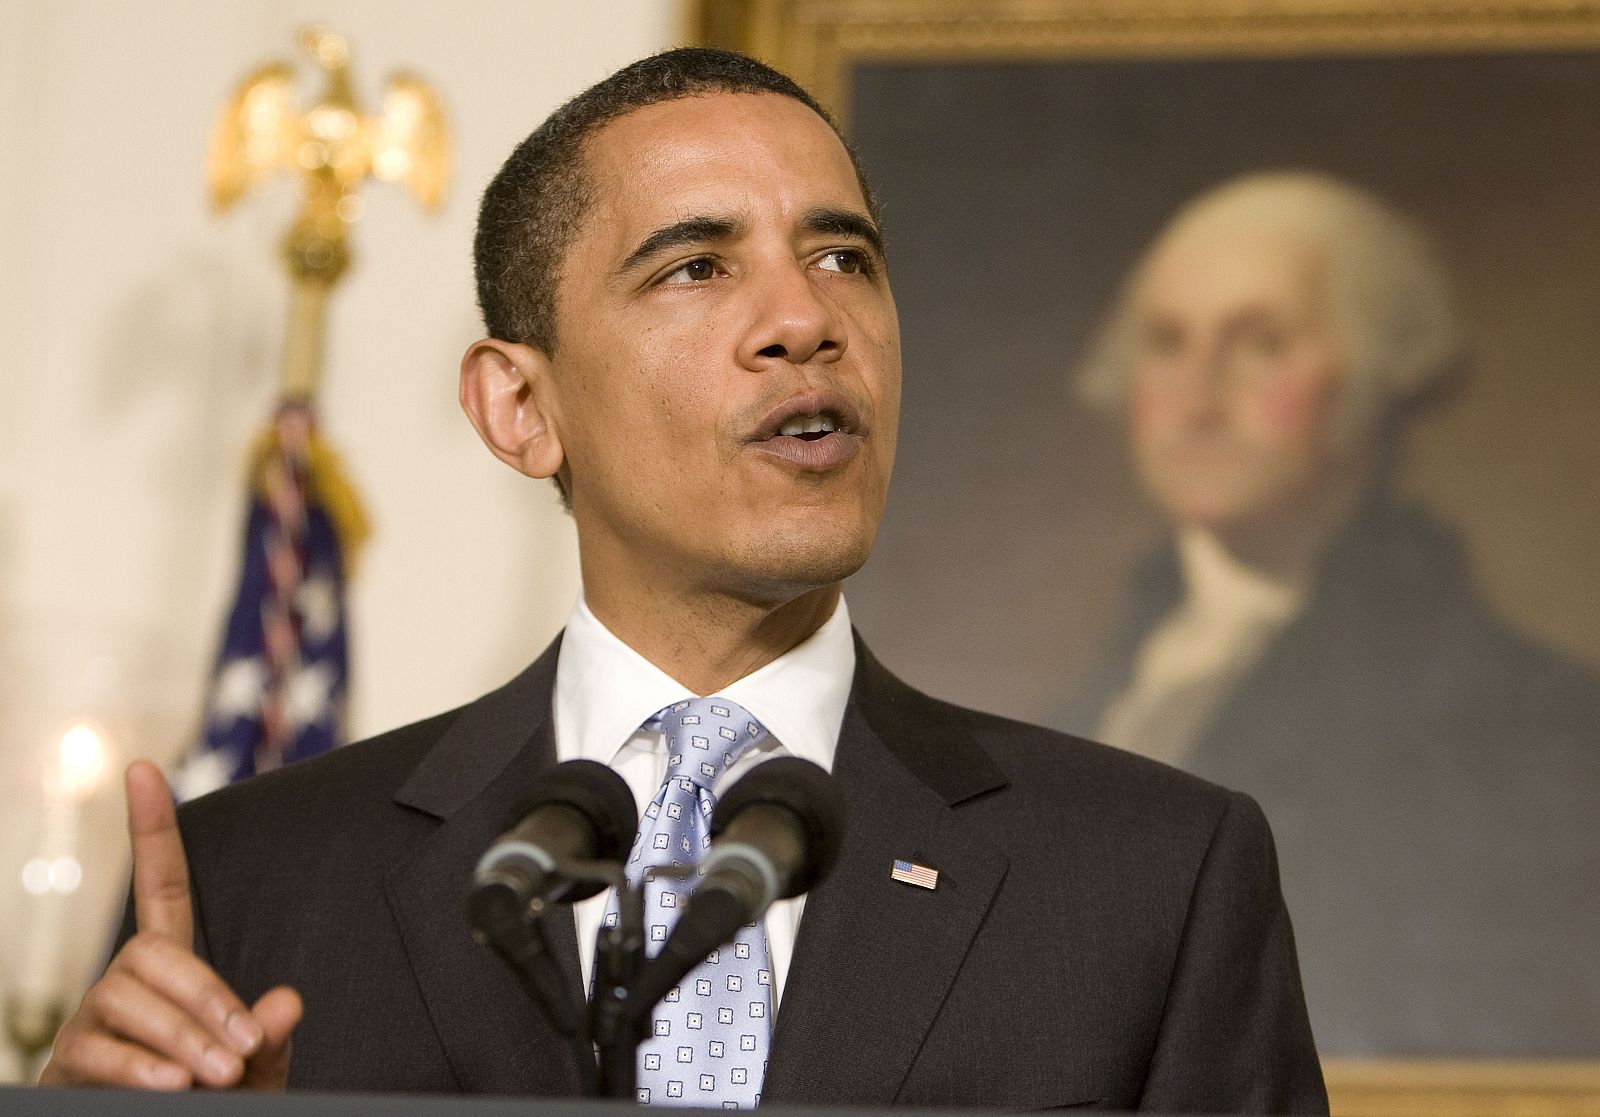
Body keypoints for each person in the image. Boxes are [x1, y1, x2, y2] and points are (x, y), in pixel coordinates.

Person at [42, 50, 1326, 1110]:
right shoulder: (259, 884)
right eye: (697, 266)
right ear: (520, 407)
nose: (803, 318)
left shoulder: (1151, 877)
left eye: (843, 258)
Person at [1063, 171, 1600, 1054]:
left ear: (1377, 376)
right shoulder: (1091, 694)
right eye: (1165, 343)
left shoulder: (1534, 725)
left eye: (1261, 343)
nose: (1197, 396)